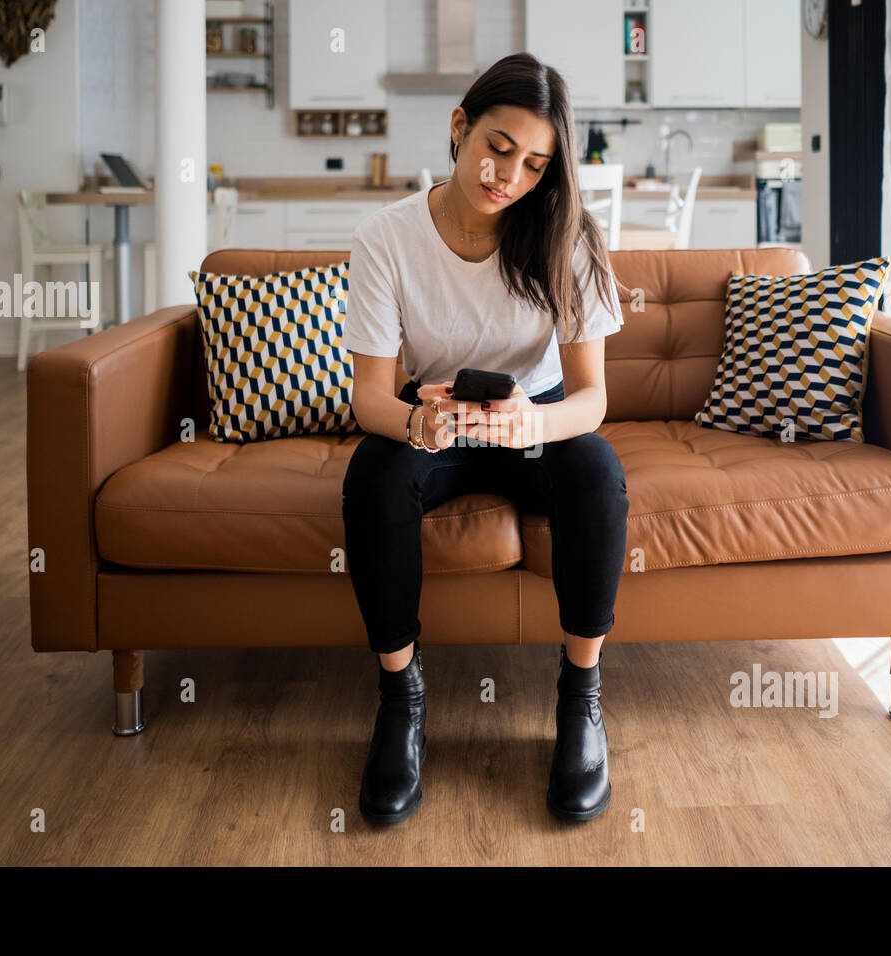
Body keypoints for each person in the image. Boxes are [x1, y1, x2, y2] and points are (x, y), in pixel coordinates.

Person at [341, 52, 630, 824]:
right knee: (373, 477)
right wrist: (415, 421)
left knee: (597, 473)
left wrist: (533, 422)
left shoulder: (566, 238)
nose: (509, 176)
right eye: (499, 148)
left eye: (535, 164)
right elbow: (369, 396)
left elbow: (594, 398)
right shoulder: (386, 238)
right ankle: (401, 703)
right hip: (434, 419)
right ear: (460, 126)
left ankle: (581, 703)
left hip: (533, 419)